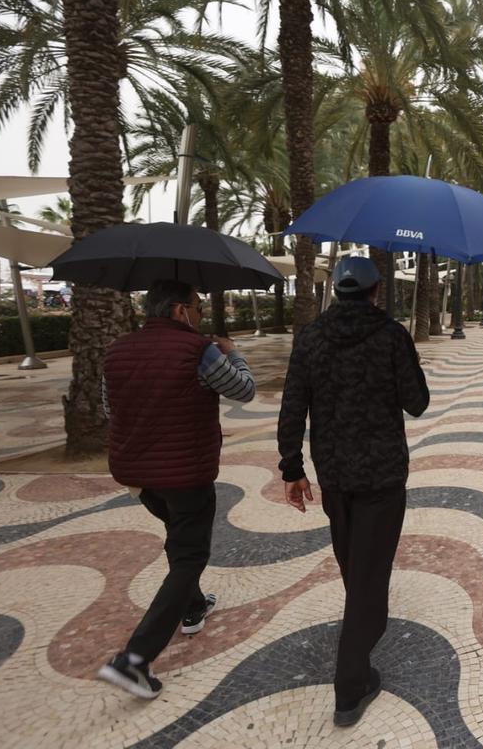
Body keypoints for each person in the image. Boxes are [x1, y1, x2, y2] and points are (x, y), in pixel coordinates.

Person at [277, 256, 429, 728]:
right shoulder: (391, 336)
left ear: (337, 291)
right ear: (375, 291)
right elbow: (417, 402)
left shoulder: (311, 337)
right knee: (369, 573)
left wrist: (291, 468)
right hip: (382, 476)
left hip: (335, 475)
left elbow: (292, 405)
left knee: (354, 564)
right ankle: (350, 683)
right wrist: (409, 363)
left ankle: (361, 622)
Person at [96, 280, 256, 699]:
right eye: (197, 308)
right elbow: (243, 390)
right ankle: (135, 659)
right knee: (190, 554)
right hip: (186, 473)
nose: (200, 315)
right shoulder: (197, 350)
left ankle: (193, 605)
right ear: (180, 310)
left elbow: (110, 408)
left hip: (137, 474)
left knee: (178, 536)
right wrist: (232, 353)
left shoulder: (116, 350)